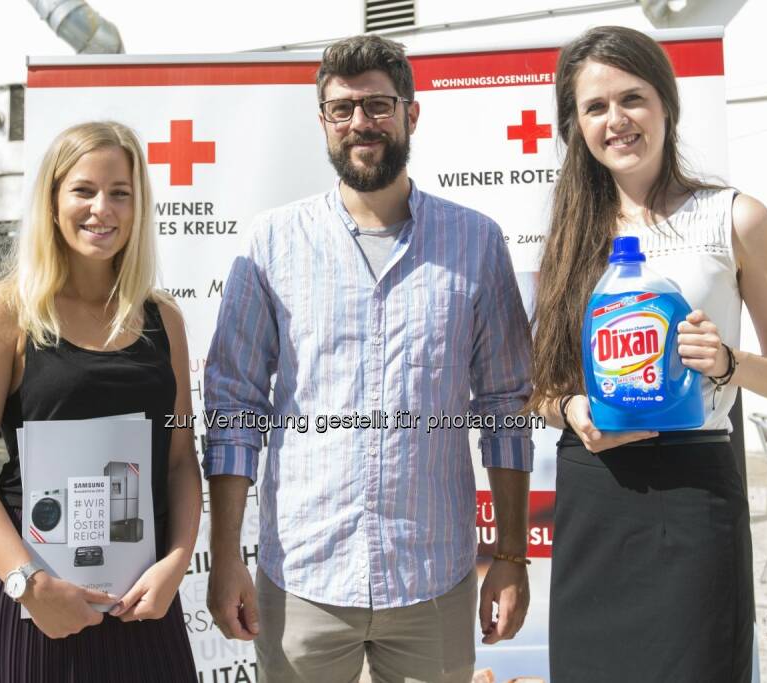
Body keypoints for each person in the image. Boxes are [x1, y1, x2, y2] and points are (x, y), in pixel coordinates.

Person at [204, 35, 534, 682]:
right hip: (302, 575)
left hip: (432, 579)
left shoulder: (476, 243)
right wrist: (225, 556)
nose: (361, 122)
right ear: (322, 123)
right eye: (342, 109)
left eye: (379, 105)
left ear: (412, 114)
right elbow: (235, 408)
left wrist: (513, 554)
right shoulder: (272, 244)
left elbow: (506, 406)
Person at [531, 26, 767, 683]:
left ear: (667, 104)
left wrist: (728, 363)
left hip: (692, 494)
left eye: (632, 98)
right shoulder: (569, 235)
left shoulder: (735, 218)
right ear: (574, 125)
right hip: (594, 496)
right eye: (594, 107)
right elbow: (538, 388)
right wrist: (571, 407)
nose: (616, 120)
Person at [0, 121, 200, 681]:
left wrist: (177, 564)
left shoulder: (165, 321)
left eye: (120, 192)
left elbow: (180, 459)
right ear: (53, 201)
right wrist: (28, 584)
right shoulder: (5, 314)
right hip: (29, 600)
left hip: (140, 599)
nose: (101, 208)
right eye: (83, 190)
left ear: (138, 206)